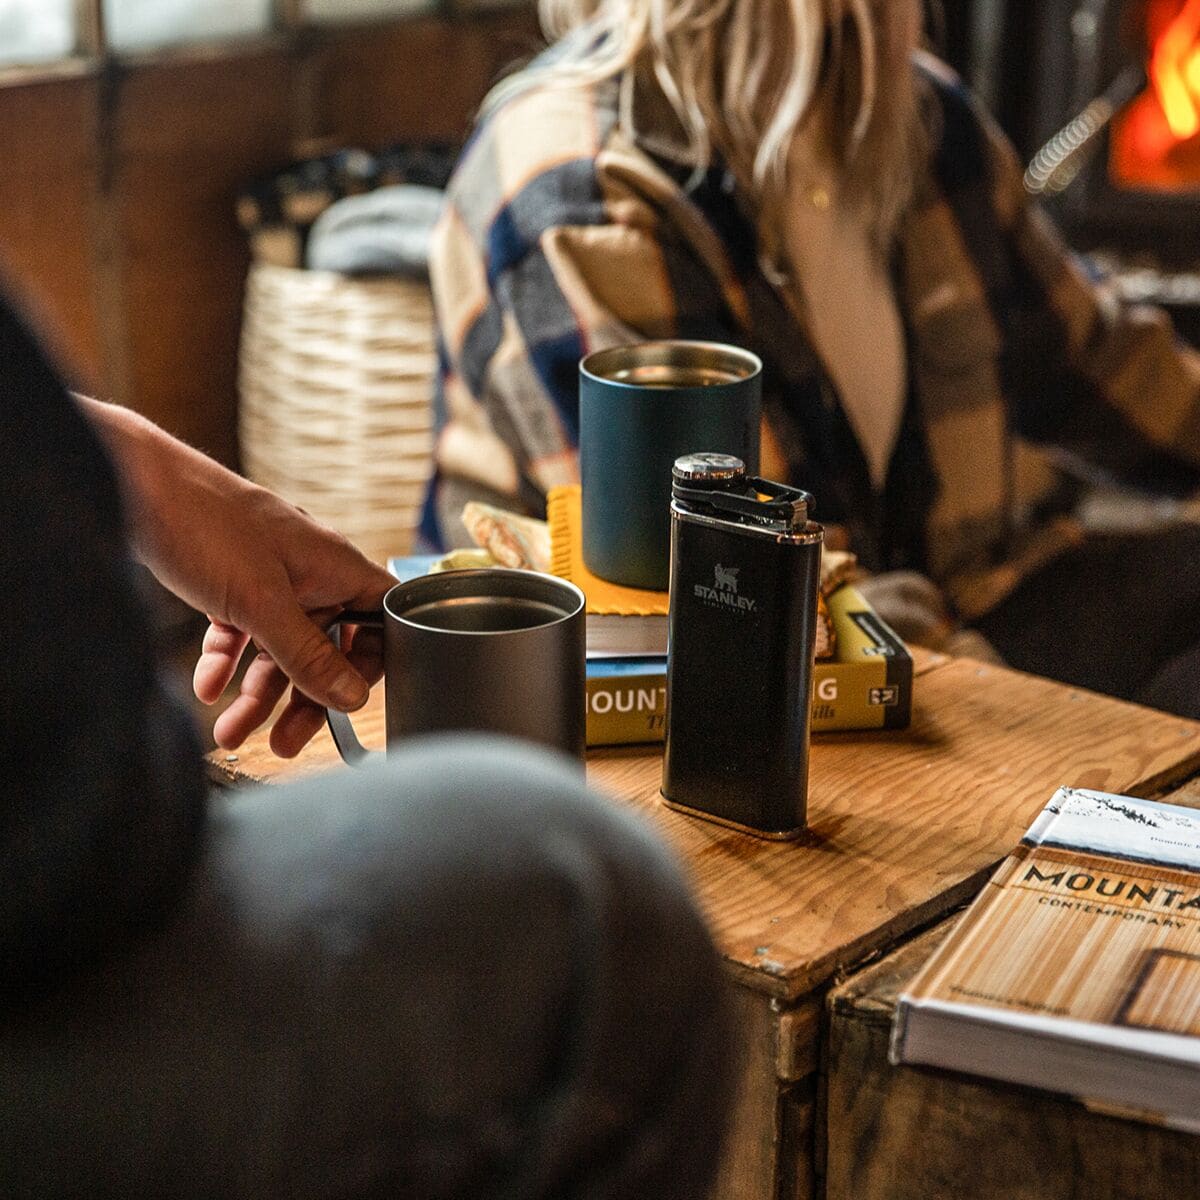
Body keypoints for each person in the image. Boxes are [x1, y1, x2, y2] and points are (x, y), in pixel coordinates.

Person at [0, 290, 733, 1196]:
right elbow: (88, 838)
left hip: (81, 888)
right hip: (63, 957)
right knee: (610, 911)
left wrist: (142, 472)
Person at [425, 0, 1200, 717]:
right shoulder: (574, 186)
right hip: (704, 696)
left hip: (960, 622)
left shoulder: (923, 114)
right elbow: (727, 578)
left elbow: (1107, 368)